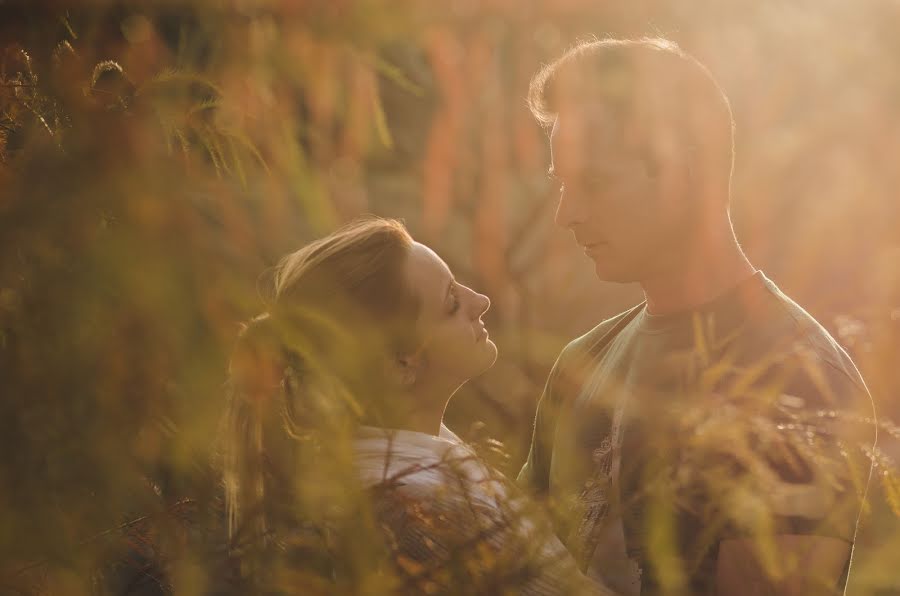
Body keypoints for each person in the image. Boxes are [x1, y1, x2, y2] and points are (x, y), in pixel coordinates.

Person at [517, 38, 877, 595]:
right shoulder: (580, 363)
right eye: (560, 184)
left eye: (594, 181)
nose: (566, 214)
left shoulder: (796, 376)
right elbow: (508, 567)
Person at [220, 217, 612, 595]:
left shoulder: (420, 462)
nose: (482, 301)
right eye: (452, 302)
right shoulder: (414, 516)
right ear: (399, 365)